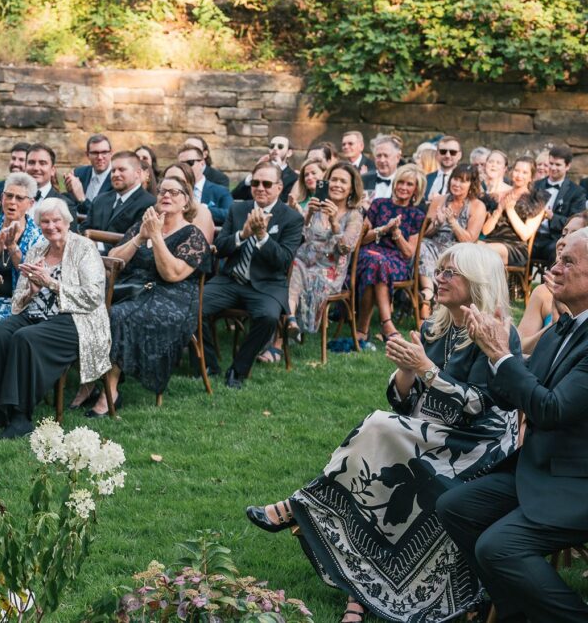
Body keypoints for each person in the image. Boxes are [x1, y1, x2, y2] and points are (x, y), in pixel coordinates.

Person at [248, 243, 520, 623]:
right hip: (431, 431)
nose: (437, 278)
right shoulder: (434, 325)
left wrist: (425, 369)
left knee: (378, 432)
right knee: (376, 470)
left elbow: (480, 405)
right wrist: (407, 371)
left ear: (476, 281)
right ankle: (361, 592)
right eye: (438, 270)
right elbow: (401, 400)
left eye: (448, 273)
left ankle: (300, 506)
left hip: (477, 445)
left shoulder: (495, 330)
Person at [440, 228, 588, 623]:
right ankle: (515, 610)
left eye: (567, 261)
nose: (554, 269)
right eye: (556, 258)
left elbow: (551, 410)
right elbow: (514, 396)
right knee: (453, 506)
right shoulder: (565, 325)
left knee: (497, 546)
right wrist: (494, 356)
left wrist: (504, 357)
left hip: (577, 480)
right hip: (542, 465)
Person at [81, 175, 209, 416]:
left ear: (186, 202)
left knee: (115, 316)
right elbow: (114, 260)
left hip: (172, 298)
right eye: (162, 192)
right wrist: (140, 237)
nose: (166, 196)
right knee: (88, 310)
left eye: (174, 192)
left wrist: (157, 237)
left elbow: (171, 274)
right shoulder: (145, 224)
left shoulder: (193, 235)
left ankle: (109, 392)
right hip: (133, 289)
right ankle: (87, 383)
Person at [0, 198, 110, 437]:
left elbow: (94, 297)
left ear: (68, 222)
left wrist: (50, 283)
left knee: (25, 338)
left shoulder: (84, 248)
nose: (51, 226)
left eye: (56, 220)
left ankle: (20, 417)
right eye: (45, 222)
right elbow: (20, 295)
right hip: (35, 313)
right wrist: (32, 291)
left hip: (76, 319)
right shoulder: (37, 249)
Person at [202, 163, 304, 388]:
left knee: (268, 318)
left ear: (279, 187)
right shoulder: (238, 209)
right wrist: (242, 234)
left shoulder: (291, 218)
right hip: (231, 280)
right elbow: (220, 247)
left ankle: (238, 369)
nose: (260, 188)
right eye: (255, 183)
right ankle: (208, 364)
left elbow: (283, 261)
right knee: (194, 306)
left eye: (267, 184)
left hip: (267, 285)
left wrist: (262, 236)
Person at [282, 162, 364, 345]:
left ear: (351, 188)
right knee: (295, 265)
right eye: (333, 179)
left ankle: (288, 322)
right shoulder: (316, 207)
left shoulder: (354, 216)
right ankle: (291, 321)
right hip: (305, 260)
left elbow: (345, 249)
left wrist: (335, 224)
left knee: (300, 270)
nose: (337, 184)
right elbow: (299, 237)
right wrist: (308, 214)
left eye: (343, 181)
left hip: (329, 270)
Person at [356, 165, 426, 344]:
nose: (403, 187)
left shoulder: (416, 215)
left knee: (377, 265)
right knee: (375, 261)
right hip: (368, 253)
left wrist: (396, 233)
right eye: (400, 182)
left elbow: (409, 252)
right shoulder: (379, 204)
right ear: (394, 184)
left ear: (416, 189)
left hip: (396, 262)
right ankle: (387, 324)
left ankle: (362, 329)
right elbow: (361, 239)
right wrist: (383, 229)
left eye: (409, 184)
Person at [417, 165, 487, 318]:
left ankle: (433, 298)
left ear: (471, 185)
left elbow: (470, 239)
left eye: (463, 181)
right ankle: (429, 293)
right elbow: (424, 234)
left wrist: (452, 222)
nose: (457, 184)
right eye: (455, 179)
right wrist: (437, 223)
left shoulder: (477, 206)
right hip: (433, 245)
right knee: (421, 246)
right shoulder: (439, 200)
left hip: (458, 249)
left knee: (452, 256)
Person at [0, 172, 43, 326]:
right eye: (9, 196)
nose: (12, 202)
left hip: (20, 306)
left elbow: (32, 278)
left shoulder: (38, 237)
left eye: (19, 198)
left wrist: (13, 248)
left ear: (31, 203)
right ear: (2, 197)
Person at [516, 211, 586, 355]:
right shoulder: (543, 293)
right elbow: (520, 347)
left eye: (574, 234)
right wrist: (555, 327)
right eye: (563, 234)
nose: (562, 241)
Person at [80, 151, 156, 251]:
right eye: (113, 170)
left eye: (121, 170)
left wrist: (97, 246)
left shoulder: (149, 203)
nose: (115, 174)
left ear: (137, 173)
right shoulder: (100, 199)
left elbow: (136, 241)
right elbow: (84, 228)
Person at [482, 156, 546, 268]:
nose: (519, 175)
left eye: (525, 172)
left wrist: (510, 210)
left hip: (515, 247)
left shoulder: (536, 199)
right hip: (490, 241)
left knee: (483, 251)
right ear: (512, 172)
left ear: (531, 177)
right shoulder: (498, 195)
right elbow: (485, 231)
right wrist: (499, 210)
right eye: (516, 171)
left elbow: (525, 235)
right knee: (466, 248)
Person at [531, 144, 586, 266]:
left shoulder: (576, 192)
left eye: (558, 165)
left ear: (567, 166)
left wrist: (552, 217)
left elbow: (577, 222)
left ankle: (551, 284)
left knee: (556, 251)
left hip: (555, 239)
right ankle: (518, 285)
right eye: (551, 163)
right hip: (531, 236)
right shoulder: (535, 185)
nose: (553, 168)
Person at [178, 144, 232, 226]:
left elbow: (230, 214)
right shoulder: (174, 190)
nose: (186, 167)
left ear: (202, 164)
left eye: (190, 163)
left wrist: (203, 209)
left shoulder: (220, 191)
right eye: (182, 164)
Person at [63, 134, 114, 216]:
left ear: (111, 153)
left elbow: (101, 215)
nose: (100, 157)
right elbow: (70, 205)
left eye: (104, 152)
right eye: (95, 153)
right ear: (87, 155)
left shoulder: (117, 178)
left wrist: (82, 199)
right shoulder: (78, 173)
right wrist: (69, 193)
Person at [163, 162, 216, 242]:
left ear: (189, 186)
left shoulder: (201, 213)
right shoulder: (156, 210)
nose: (171, 184)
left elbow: (202, 248)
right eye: (168, 179)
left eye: (178, 181)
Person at [361, 134, 402, 201]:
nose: (382, 160)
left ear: (397, 157)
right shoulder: (363, 180)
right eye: (378, 156)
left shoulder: (406, 183)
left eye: (386, 156)